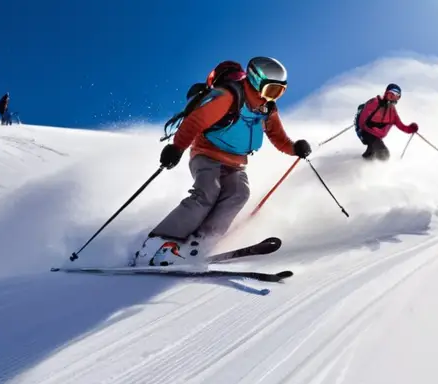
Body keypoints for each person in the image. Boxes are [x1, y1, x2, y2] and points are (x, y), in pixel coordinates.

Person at [132, 56, 312, 267]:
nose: (271, 98)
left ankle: (199, 243)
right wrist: (177, 148)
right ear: (255, 81)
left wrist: (294, 148)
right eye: (270, 90)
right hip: (207, 154)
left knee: (238, 193)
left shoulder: (267, 110)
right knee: (208, 191)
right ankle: (156, 244)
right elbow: (196, 121)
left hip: (236, 163)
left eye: (279, 93)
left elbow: (278, 138)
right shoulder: (229, 97)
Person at [354, 83, 418, 161]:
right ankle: (381, 169)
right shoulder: (375, 103)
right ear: (386, 93)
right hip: (367, 132)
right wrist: (365, 132)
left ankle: (361, 163)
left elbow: (400, 125)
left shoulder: (392, 111)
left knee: (372, 154)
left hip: (377, 136)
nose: (392, 99)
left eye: (396, 97)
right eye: (391, 95)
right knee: (384, 153)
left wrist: (410, 129)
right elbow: (362, 120)